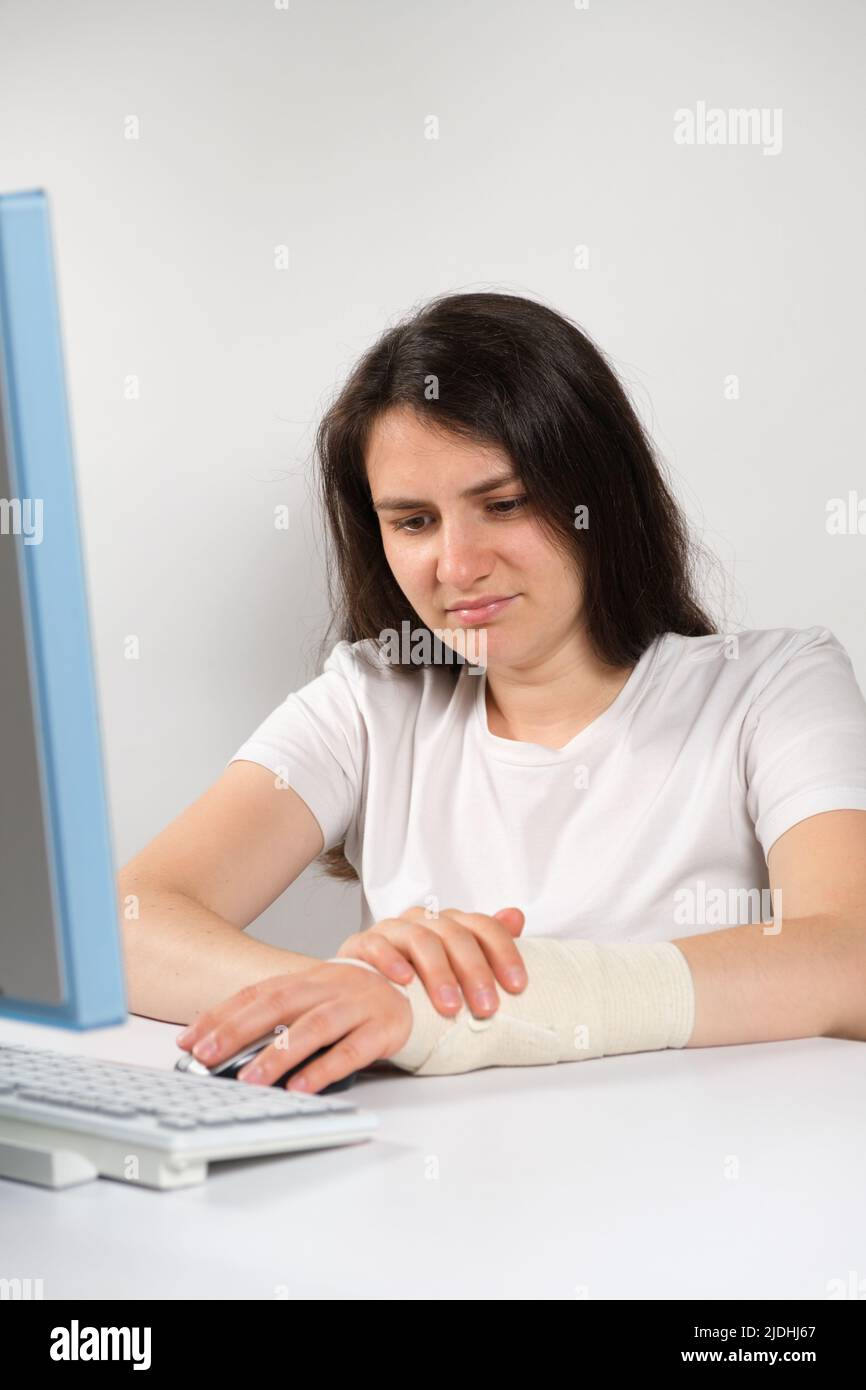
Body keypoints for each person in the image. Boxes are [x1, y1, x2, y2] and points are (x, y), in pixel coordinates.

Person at [119, 291, 866, 1091]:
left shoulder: (772, 685)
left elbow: (848, 955)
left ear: (602, 496)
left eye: (503, 505)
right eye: (413, 522)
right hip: (429, 1164)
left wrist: (449, 1010)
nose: (458, 565)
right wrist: (353, 999)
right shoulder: (370, 703)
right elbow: (123, 924)